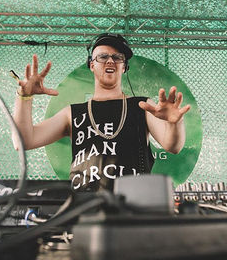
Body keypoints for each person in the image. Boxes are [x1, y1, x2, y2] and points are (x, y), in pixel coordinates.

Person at [12, 33, 190, 191]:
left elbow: (172, 145)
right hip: (85, 206)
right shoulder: (72, 113)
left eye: (117, 57)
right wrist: (24, 97)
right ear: (91, 65)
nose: (110, 61)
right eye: (103, 57)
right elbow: (23, 141)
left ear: (124, 67)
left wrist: (174, 123)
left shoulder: (142, 106)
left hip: (134, 205)